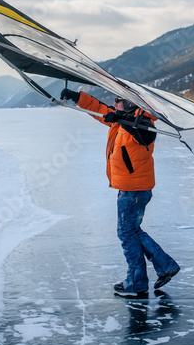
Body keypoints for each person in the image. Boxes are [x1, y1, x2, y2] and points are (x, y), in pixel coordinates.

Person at [60, 87, 180, 299]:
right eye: (115, 100)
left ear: (131, 104)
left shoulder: (144, 124)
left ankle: (136, 283)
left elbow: (141, 132)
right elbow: (99, 108)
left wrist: (121, 119)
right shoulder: (121, 119)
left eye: (118, 100)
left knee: (127, 233)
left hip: (134, 191)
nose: (114, 104)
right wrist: (77, 97)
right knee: (132, 231)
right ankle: (165, 266)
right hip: (130, 189)